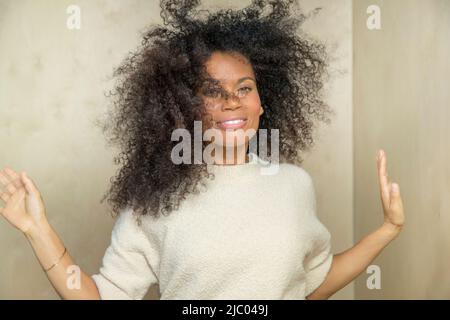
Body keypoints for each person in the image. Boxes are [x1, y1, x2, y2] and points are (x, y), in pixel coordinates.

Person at [0, 0, 405, 299]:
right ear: (183, 107)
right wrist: (38, 230)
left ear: (262, 102)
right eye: (212, 92)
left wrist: (388, 229)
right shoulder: (156, 200)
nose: (232, 101)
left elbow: (311, 283)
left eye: (244, 88)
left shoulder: (295, 184)